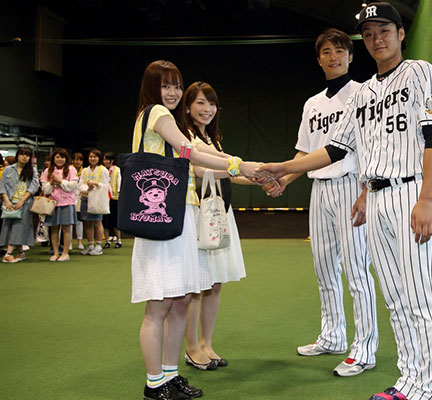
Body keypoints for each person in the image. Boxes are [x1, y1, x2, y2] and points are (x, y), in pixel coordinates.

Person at [259, 3, 432, 399]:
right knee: (395, 298)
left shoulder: (422, 72)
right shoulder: (363, 94)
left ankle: (430, 388)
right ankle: (408, 381)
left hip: (412, 191)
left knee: (419, 296)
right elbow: (334, 149)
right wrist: (283, 168)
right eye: (369, 34)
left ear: (401, 33)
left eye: (384, 30)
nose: (377, 39)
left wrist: (427, 198)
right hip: (376, 197)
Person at [131, 60, 267, 400]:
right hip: (163, 220)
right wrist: (239, 165)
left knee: (180, 301)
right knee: (159, 306)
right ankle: (154, 384)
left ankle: (170, 374)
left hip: (183, 215)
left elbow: (202, 152)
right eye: (165, 85)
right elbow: (189, 151)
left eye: (177, 85)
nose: (173, 92)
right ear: (152, 88)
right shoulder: (156, 113)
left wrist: (241, 167)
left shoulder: (170, 118)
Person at [262, 28, 378, 377]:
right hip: (320, 190)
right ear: (319, 59)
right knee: (324, 267)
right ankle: (333, 336)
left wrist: (366, 191)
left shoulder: (364, 93)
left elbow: (372, 147)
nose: (334, 56)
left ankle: (365, 348)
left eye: (340, 50)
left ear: (351, 57)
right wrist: (284, 180)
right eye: (327, 51)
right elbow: (305, 152)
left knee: (356, 269)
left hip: (351, 185)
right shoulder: (312, 103)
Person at [182, 82, 249, 371]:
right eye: (200, 102)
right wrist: (242, 167)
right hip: (200, 214)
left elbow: (231, 172)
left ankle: (206, 344)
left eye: (211, 103)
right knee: (198, 285)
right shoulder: (185, 137)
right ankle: (192, 348)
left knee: (214, 283)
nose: (207, 109)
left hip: (219, 213)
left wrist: (261, 177)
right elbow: (200, 170)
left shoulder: (212, 139)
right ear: (187, 107)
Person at [0, 147, 39, 263]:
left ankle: (8, 253)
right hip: (9, 204)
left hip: (25, 204)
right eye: (22, 154)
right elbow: (2, 186)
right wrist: (6, 201)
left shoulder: (33, 170)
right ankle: (21, 253)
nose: (24, 157)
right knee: (8, 227)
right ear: (17, 156)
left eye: (27, 155)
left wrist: (22, 201)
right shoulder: (8, 169)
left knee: (19, 228)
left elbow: (34, 187)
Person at [40, 148, 79, 262]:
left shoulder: (71, 169)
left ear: (66, 159)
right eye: (57, 157)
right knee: (54, 228)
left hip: (67, 202)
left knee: (66, 228)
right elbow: (45, 189)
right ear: (53, 158)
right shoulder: (47, 171)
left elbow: (72, 186)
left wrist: (60, 181)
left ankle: (65, 253)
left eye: (62, 157)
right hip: (52, 204)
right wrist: (51, 183)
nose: (60, 159)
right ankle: (56, 252)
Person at [78, 149, 109, 256]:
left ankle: (99, 245)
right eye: (91, 156)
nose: (92, 158)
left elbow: (106, 185)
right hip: (86, 198)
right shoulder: (85, 170)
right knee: (87, 222)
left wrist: (96, 184)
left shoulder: (103, 170)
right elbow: (80, 184)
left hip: (97, 199)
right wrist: (87, 188)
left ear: (99, 158)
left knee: (97, 222)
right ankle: (90, 245)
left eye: (95, 157)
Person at [102, 152, 122, 249]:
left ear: (112, 160)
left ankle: (118, 240)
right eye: (104, 159)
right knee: (105, 221)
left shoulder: (117, 170)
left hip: (114, 198)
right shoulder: (102, 170)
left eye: (107, 159)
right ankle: (107, 241)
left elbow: (119, 183)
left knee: (115, 221)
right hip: (104, 198)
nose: (105, 161)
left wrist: (118, 192)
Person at [71, 152, 85, 250]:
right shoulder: (69, 170)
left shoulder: (84, 171)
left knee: (79, 221)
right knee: (69, 222)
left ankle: (80, 241)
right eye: (76, 159)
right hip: (69, 197)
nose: (78, 162)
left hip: (80, 197)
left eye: (80, 160)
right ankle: (69, 242)